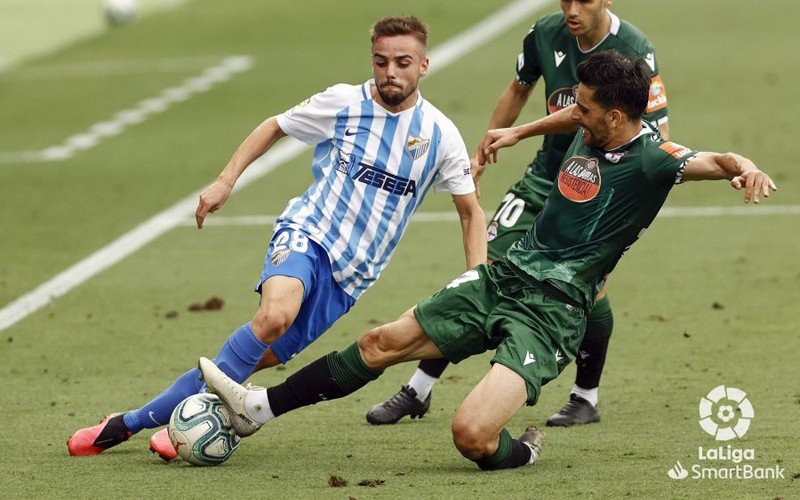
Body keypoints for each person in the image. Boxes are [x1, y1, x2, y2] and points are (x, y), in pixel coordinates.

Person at [198, 50, 775, 471]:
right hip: (505, 277)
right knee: (379, 344)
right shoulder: (590, 120)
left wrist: (744, 167)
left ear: (617, 118)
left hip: (554, 312)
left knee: (471, 434)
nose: (576, 110)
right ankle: (258, 409)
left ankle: (522, 452)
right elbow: (568, 116)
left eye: (587, 106)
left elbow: (717, 159)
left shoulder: (653, 159)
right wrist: (520, 130)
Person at [67, 15, 486, 459]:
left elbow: (470, 212)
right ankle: (137, 425)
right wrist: (226, 180)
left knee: (250, 362)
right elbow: (275, 125)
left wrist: (476, 279)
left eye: (402, 62)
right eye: (381, 61)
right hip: (308, 233)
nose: (390, 72)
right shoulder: (344, 102)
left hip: (350, 277)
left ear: (423, 65)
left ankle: (155, 418)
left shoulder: (441, 135)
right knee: (274, 317)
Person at [367, 0, 671, 427]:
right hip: (544, 178)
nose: (571, 9)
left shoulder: (635, 49)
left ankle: (585, 397)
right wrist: (484, 150)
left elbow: (657, 132)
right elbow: (518, 88)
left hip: (597, 190)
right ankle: (419, 388)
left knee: (592, 290)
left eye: (583, 0)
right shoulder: (545, 33)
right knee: (484, 271)